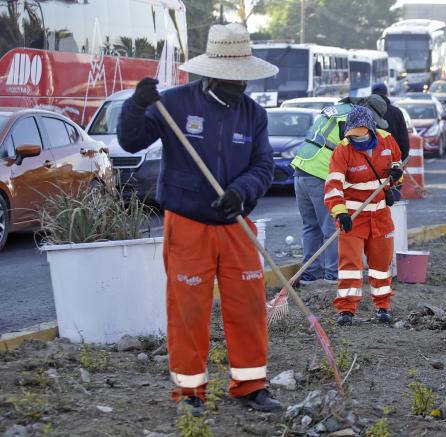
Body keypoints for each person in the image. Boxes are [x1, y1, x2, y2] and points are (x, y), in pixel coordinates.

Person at [116, 24, 282, 416]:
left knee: (249, 307)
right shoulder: (174, 105)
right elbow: (131, 141)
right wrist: (136, 105)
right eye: (233, 76)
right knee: (188, 310)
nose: (240, 84)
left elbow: (264, 165)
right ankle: (189, 393)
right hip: (188, 225)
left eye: (244, 76)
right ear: (212, 72)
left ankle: (250, 386)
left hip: (237, 225)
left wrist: (242, 191)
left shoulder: (253, 114)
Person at [290, 95, 390, 285]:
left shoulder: (339, 109)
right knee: (333, 226)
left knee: (310, 225)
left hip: (302, 167)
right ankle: (333, 274)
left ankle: (311, 274)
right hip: (321, 171)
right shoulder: (354, 117)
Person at [324, 105, 403, 326]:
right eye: (352, 135)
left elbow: (396, 168)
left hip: (380, 216)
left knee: (380, 266)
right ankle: (346, 310)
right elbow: (333, 186)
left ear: (370, 129)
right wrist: (340, 213)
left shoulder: (387, 141)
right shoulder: (343, 150)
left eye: (360, 134)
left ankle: (383, 307)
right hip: (353, 218)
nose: (356, 139)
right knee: (349, 266)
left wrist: (395, 181)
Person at [371, 83, 410, 159]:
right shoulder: (396, 112)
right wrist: (403, 157)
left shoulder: (365, 111)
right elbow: (404, 138)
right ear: (386, 94)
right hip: (393, 157)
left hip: (371, 159)